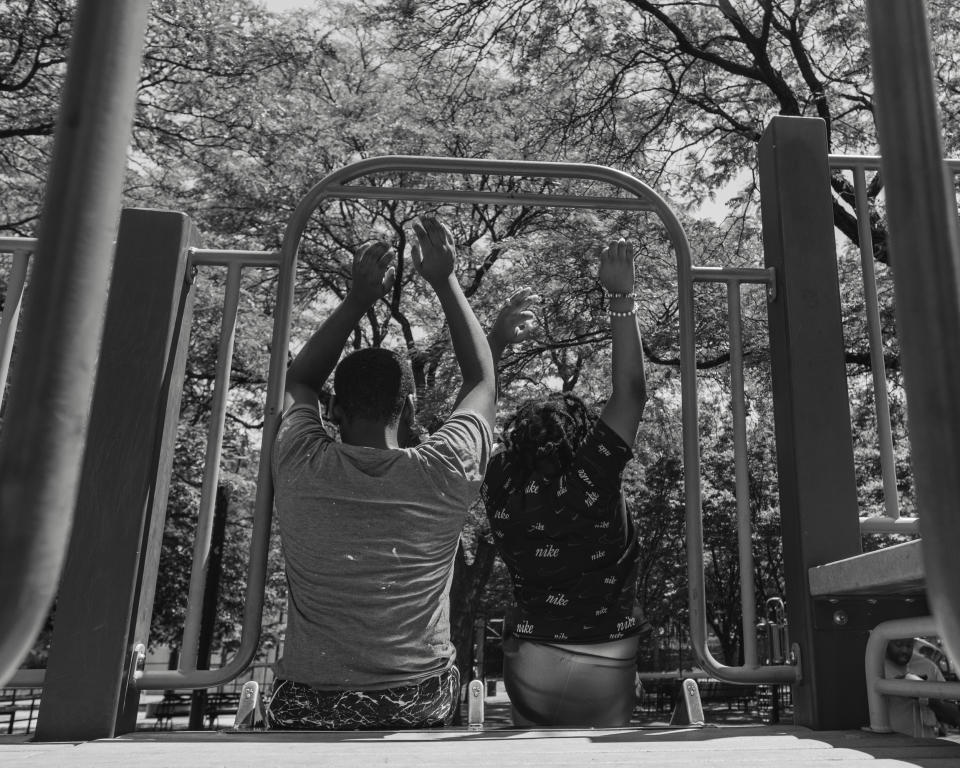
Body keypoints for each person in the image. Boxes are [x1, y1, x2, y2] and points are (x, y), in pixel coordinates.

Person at [267, 216, 496, 729]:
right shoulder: (445, 469)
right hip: (412, 700)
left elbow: (299, 378)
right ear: (411, 411)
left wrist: (357, 299)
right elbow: (482, 379)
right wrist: (445, 279)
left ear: (333, 412)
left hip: (307, 700)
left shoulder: (300, 460)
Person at [481, 237, 649, 727]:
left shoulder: (499, 482)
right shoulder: (591, 476)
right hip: (611, 659)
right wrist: (621, 299)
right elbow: (631, 392)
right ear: (579, 440)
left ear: (517, 442)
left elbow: (473, 409)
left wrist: (494, 340)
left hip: (531, 661)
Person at [885, 637, 960, 738]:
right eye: (898, 644)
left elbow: (954, 715)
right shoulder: (874, 668)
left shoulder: (928, 667)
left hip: (926, 745)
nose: (904, 650)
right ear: (885, 643)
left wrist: (926, 697)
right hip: (888, 745)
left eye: (909, 645)